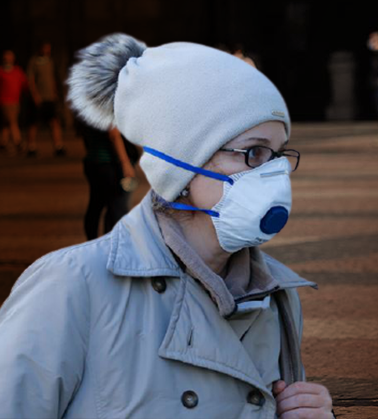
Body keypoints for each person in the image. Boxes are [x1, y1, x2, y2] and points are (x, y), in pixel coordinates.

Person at [0, 33, 333, 419]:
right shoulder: (71, 286)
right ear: (183, 165)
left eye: (278, 155)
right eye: (254, 153)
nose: (274, 175)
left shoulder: (277, 297)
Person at [78, 118, 140, 240]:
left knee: (96, 206)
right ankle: (113, 247)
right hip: (112, 164)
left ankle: (94, 244)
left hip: (94, 161)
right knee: (118, 208)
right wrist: (125, 162)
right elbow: (113, 133)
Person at [26, 41, 66, 157]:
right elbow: (31, 79)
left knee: (54, 122)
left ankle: (58, 146)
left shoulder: (50, 61)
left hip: (50, 98)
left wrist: (54, 92)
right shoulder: (33, 62)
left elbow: (52, 77)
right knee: (34, 123)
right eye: (45, 48)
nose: (47, 51)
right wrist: (35, 95)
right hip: (38, 98)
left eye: (48, 48)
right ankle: (31, 147)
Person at [0, 49, 28, 154]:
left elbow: (24, 83)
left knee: (6, 123)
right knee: (12, 121)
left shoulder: (17, 71)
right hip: (4, 101)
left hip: (15, 101)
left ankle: (3, 142)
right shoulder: (1, 71)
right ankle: (18, 141)